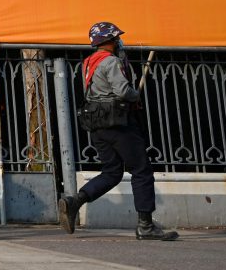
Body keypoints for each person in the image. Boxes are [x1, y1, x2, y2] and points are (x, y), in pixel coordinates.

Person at [58, 22, 178, 241]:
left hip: (97, 125)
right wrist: (135, 95)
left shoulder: (88, 62)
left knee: (112, 172)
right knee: (141, 170)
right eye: (116, 38)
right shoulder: (110, 61)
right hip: (118, 123)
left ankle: (75, 201)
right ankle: (145, 226)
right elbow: (122, 91)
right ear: (110, 40)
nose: (119, 41)